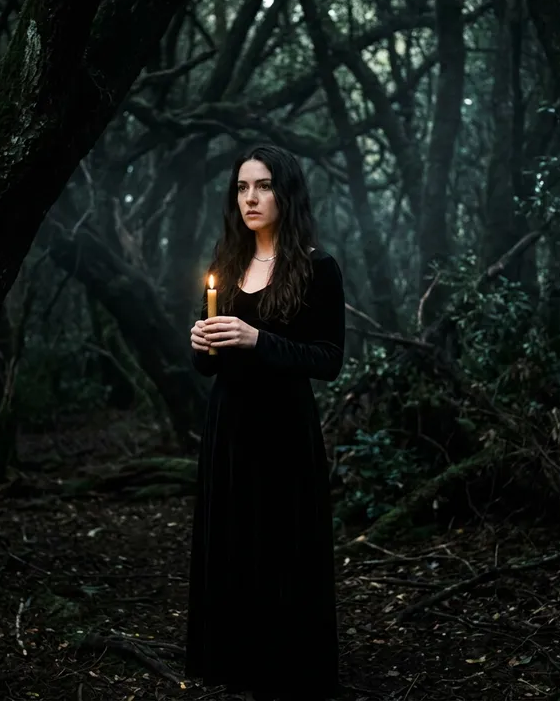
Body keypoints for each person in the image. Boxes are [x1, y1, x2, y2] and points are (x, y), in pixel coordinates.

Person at [184, 144, 346, 701]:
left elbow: (328, 359)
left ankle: (285, 666)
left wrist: (260, 340)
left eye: (264, 186)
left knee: (280, 545)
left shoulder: (318, 268)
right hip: (229, 427)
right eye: (242, 187)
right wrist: (200, 344)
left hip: (283, 432)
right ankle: (233, 660)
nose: (250, 198)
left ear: (287, 192)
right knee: (232, 543)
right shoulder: (225, 264)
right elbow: (206, 368)